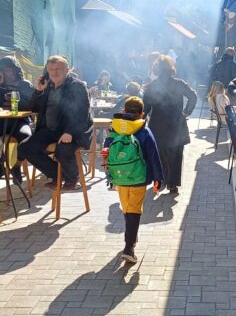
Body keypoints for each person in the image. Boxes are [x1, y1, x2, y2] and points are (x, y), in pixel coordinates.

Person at [18, 55, 93, 190]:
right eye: (51, 69)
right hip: (50, 130)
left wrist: (70, 132)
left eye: (58, 69)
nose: (54, 73)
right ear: (47, 70)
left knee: (63, 149)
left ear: (67, 70)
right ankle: (57, 174)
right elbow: (32, 108)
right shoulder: (47, 86)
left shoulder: (77, 87)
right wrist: (38, 91)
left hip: (74, 130)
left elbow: (82, 113)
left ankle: (72, 177)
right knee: (25, 147)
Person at [103, 96, 163, 263]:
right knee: (134, 209)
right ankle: (129, 247)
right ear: (141, 113)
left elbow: (107, 151)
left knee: (127, 207)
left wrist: (109, 175)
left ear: (123, 111)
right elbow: (153, 155)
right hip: (139, 177)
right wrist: (158, 177)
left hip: (120, 177)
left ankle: (131, 238)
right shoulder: (144, 130)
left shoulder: (115, 128)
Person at [143, 54, 197, 193]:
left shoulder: (151, 86)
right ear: (171, 69)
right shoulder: (179, 83)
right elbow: (193, 96)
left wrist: (140, 123)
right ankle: (172, 184)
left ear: (156, 70)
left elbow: (145, 108)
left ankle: (160, 181)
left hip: (157, 125)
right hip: (176, 123)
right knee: (176, 154)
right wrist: (186, 112)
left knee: (159, 155)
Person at [0, 55, 35, 182]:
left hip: (20, 122)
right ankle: (2, 165)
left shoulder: (25, 85)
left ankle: (16, 166)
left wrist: (16, 101)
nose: (10, 72)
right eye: (6, 69)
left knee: (27, 138)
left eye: (11, 68)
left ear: (16, 68)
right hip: (2, 122)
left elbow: (32, 105)